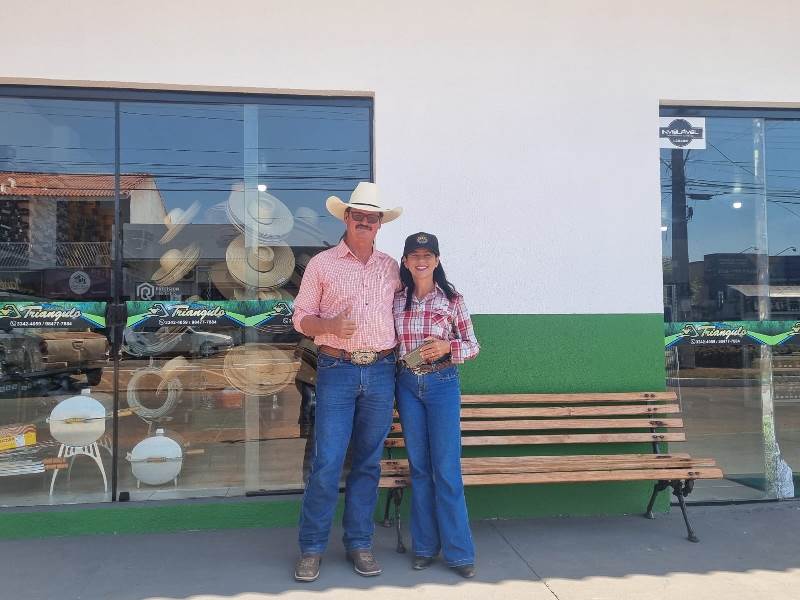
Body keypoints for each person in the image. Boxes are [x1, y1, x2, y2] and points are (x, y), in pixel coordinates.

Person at [291, 182, 402, 582]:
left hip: (381, 371)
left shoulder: (392, 267)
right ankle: (312, 548)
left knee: (368, 463)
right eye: (358, 216)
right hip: (336, 369)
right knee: (327, 462)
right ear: (346, 218)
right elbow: (299, 318)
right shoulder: (322, 264)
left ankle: (360, 543)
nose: (365, 222)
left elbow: (408, 310)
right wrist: (330, 326)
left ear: (379, 224)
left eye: (372, 218)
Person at [394, 232, 480, 578]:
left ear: (437, 260)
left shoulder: (452, 300)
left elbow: (473, 345)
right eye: (414, 255)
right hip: (407, 385)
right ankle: (425, 548)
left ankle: (459, 553)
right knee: (419, 469)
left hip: (442, 383)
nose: (421, 261)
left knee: (446, 469)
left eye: (427, 255)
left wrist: (448, 347)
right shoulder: (396, 299)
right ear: (405, 262)